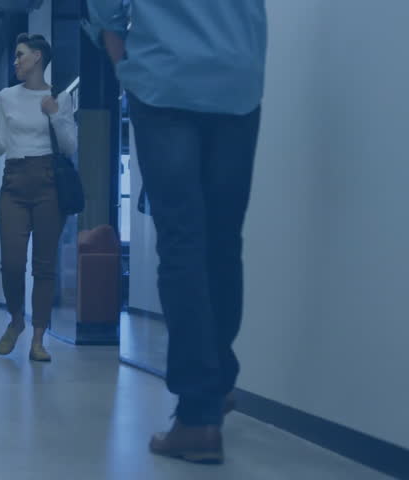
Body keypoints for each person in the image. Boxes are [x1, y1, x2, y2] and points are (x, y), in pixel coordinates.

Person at [86, 0, 267, 464]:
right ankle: (215, 384)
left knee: (183, 244)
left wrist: (125, 68)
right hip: (237, 77)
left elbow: (106, 10)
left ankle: (197, 415)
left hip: (164, 79)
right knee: (223, 244)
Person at [0, 34, 77, 362]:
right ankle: (17, 319)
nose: (15, 61)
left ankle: (38, 340)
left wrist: (55, 114)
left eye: (20, 55)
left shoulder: (60, 97)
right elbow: (1, 147)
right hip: (14, 182)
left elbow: (69, 147)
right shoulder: (6, 96)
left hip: (49, 183)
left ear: (37, 57)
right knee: (11, 264)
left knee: (44, 266)